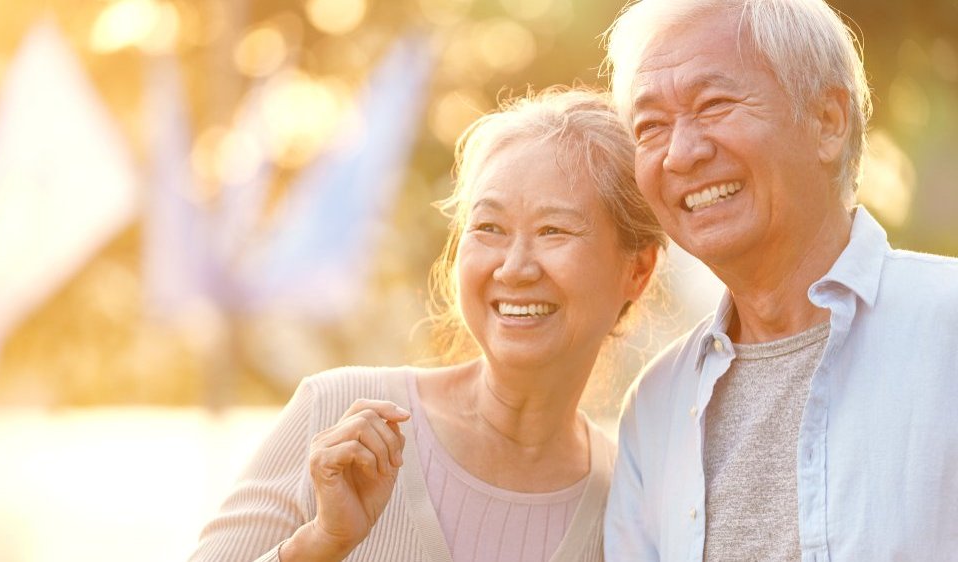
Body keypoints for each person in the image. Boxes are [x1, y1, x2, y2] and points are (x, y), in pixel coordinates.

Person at [189, 87, 665, 562]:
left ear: (637, 271)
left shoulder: (629, 506)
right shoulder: (336, 416)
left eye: (553, 231)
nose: (514, 268)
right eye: (489, 229)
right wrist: (320, 544)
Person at [601, 0, 958, 560]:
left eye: (714, 104)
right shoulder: (656, 403)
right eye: (650, 126)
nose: (681, 153)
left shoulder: (947, 328)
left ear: (828, 122)